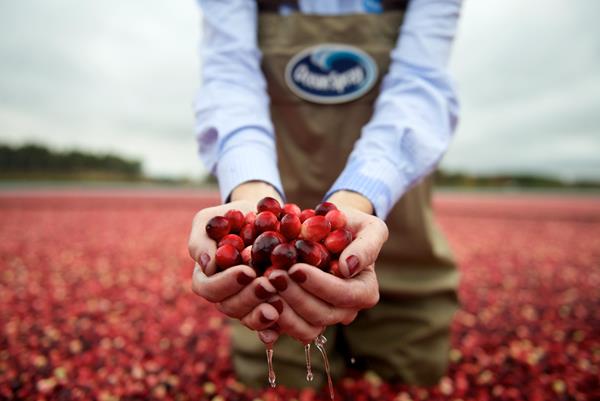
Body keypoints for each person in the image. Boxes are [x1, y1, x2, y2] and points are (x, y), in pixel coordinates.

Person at [188, 0, 462, 389]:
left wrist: (358, 198)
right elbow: (230, 77)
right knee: (279, 381)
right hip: (281, 245)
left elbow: (420, 84)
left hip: (392, 218)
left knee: (413, 373)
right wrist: (250, 188)